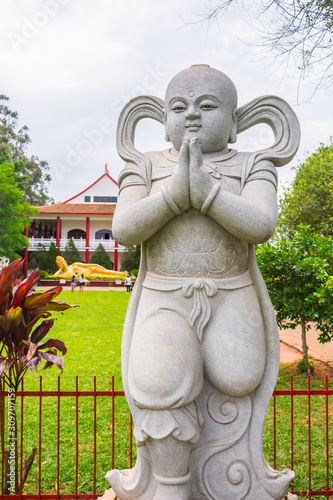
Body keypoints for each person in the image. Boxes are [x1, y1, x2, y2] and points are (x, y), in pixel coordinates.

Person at [109, 65, 300, 500]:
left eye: (208, 105)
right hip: (165, 296)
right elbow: (124, 228)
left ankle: (236, 475)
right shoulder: (146, 165)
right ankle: (170, 487)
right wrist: (175, 195)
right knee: (161, 379)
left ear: (235, 124)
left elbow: (261, 223)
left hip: (231, 293)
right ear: (161, 121)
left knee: (238, 376)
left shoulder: (253, 165)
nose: (192, 114)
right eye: (179, 106)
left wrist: (207, 194)